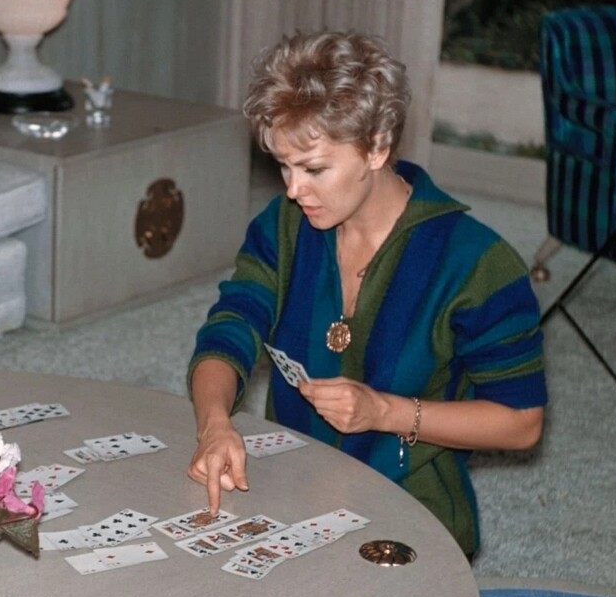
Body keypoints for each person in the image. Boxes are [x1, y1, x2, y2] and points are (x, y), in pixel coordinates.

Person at [186, 30, 546, 557]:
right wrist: (215, 425)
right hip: (288, 489)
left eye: (314, 169)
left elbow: (522, 423)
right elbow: (230, 328)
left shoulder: (476, 264)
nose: (293, 189)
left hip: (412, 512)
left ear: (377, 146)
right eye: (283, 166)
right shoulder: (283, 226)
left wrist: (385, 412)